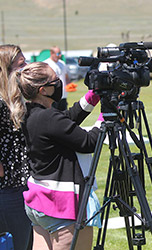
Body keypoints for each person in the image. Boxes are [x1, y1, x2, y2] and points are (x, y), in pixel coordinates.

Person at [9, 61, 100, 250]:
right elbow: (88, 142)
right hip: (61, 206)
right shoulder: (48, 118)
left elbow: (65, 121)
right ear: (43, 89)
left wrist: (93, 96)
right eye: (55, 80)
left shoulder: (31, 113)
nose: (59, 83)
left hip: (40, 202)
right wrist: (107, 116)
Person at [0, 44, 32, 250]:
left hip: (25, 180)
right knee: (16, 242)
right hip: (8, 185)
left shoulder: (18, 99)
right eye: (20, 65)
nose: (26, 68)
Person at [44, 46, 70, 111]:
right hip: (53, 96)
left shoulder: (62, 63)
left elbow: (66, 76)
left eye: (60, 53)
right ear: (51, 53)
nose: (60, 56)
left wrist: (70, 85)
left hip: (63, 95)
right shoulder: (46, 64)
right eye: (58, 54)